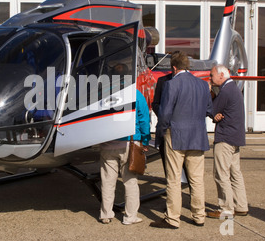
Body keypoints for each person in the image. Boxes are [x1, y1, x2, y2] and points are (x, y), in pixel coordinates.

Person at [150, 51, 212, 229]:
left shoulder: (171, 84)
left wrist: (161, 133)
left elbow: (165, 113)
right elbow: (209, 109)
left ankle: (173, 219)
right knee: (197, 179)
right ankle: (199, 216)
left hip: (175, 135)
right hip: (197, 136)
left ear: (174, 67)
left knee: (174, 179)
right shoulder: (202, 84)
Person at [99, 89, 151, 225]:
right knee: (130, 181)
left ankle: (105, 214)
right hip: (129, 142)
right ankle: (130, 216)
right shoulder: (136, 94)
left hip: (107, 142)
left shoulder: (105, 93)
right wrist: (145, 140)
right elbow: (144, 118)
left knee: (107, 181)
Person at [207, 64, 248, 218]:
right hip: (235, 137)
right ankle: (241, 205)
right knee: (235, 172)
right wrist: (215, 114)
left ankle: (226, 208)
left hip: (225, 137)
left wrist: (208, 91)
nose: (210, 78)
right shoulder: (234, 89)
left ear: (221, 76)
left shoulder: (226, 90)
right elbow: (216, 111)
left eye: (212, 75)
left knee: (221, 174)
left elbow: (211, 108)